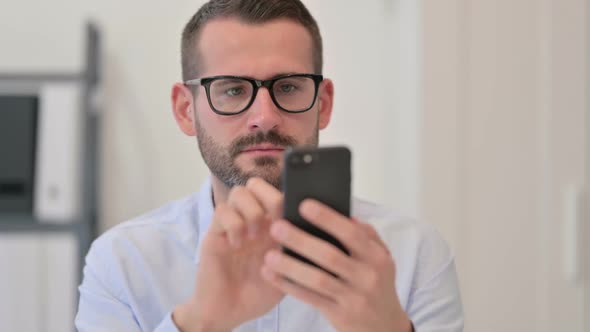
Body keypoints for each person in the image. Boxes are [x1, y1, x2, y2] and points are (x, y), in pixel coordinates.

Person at [75, 0, 464, 331]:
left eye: (288, 87)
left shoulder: (413, 257)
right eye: (231, 89)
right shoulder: (123, 263)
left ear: (323, 103)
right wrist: (200, 322)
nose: (265, 117)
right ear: (185, 110)